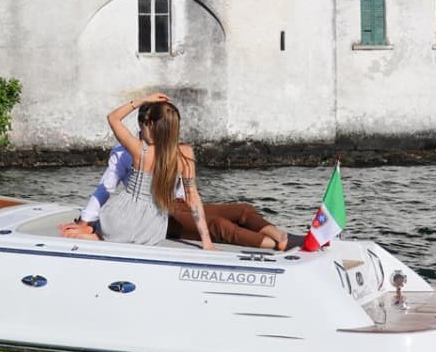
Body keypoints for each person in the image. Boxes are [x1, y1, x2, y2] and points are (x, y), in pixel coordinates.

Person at [76, 95, 291, 250]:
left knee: (241, 210)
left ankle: (276, 238)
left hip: (129, 218)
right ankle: (270, 243)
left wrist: (142, 100)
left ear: (152, 125)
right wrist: (206, 241)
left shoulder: (139, 150)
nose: (141, 128)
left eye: (146, 123)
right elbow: (193, 197)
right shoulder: (184, 154)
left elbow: (113, 118)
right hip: (153, 220)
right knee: (220, 225)